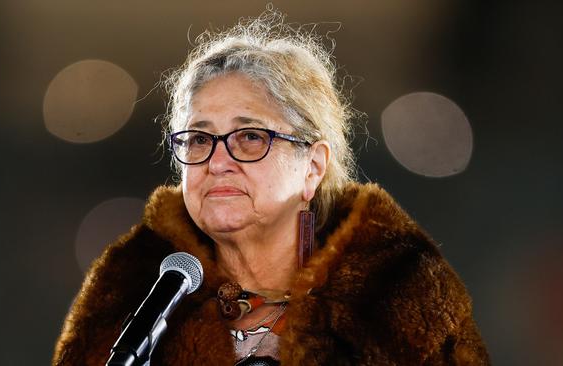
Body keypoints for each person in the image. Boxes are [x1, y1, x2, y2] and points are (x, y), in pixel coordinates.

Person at [53, 10, 490, 366]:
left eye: (250, 137)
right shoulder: (129, 299)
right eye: (199, 139)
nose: (218, 161)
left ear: (313, 166)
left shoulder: (400, 299)